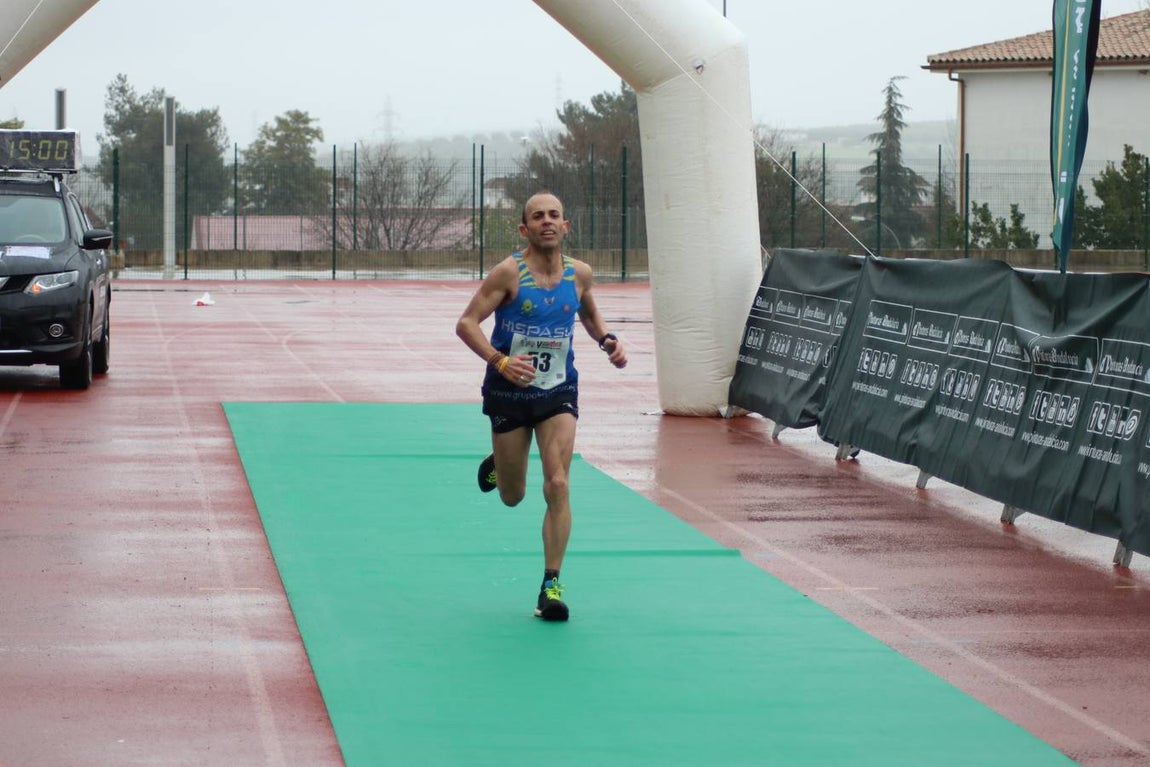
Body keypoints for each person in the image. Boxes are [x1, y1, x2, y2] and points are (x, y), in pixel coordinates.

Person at [455, 191, 627, 621]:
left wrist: (607, 339)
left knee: (558, 483)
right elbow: (466, 323)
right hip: (509, 392)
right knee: (512, 496)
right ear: (524, 228)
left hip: (557, 392)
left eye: (554, 215)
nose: (546, 221)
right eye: (537, 216)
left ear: (565, 226)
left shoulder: (580, 274)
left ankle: (551, 585)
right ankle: (499, 463)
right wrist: (500, 361)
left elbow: (588, 314)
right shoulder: (508, 273)